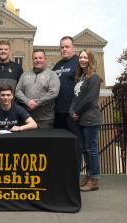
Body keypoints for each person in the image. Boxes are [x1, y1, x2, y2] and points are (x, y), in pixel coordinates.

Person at [70, 49, 102, 191]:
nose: (82, 60)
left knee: (91, 149)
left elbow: (89, 99)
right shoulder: (81, 77)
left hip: (91, 118)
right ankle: (89, 176)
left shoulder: (94, 77)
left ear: (90, 59)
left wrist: (77, 111)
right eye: (81, 57)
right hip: (81, 119)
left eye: (85, 57)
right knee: (85, 149)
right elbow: (76, 98)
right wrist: (72, 111)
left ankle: (93, 179)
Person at [15, 49, 60, 128]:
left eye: (40, 58)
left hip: (45, 119)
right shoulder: (24, 74)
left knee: (44, 140)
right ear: (32, 60)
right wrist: (28, 102)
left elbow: (53, 93)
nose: (38, 60)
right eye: (35, 58)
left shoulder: (52, 75)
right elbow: (18, 91)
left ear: (45, 59)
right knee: (26, 140)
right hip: (26, 118)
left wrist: (37, 103)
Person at [52, 36, 79, 132]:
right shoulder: (57, 65)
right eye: (62, 47)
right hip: (58, 112)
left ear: (73, 47)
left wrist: (79, 109)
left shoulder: (79, 62)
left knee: (76, 144)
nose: (64, 49)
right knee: (61, 144)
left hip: (74, 113)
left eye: (67, 47)